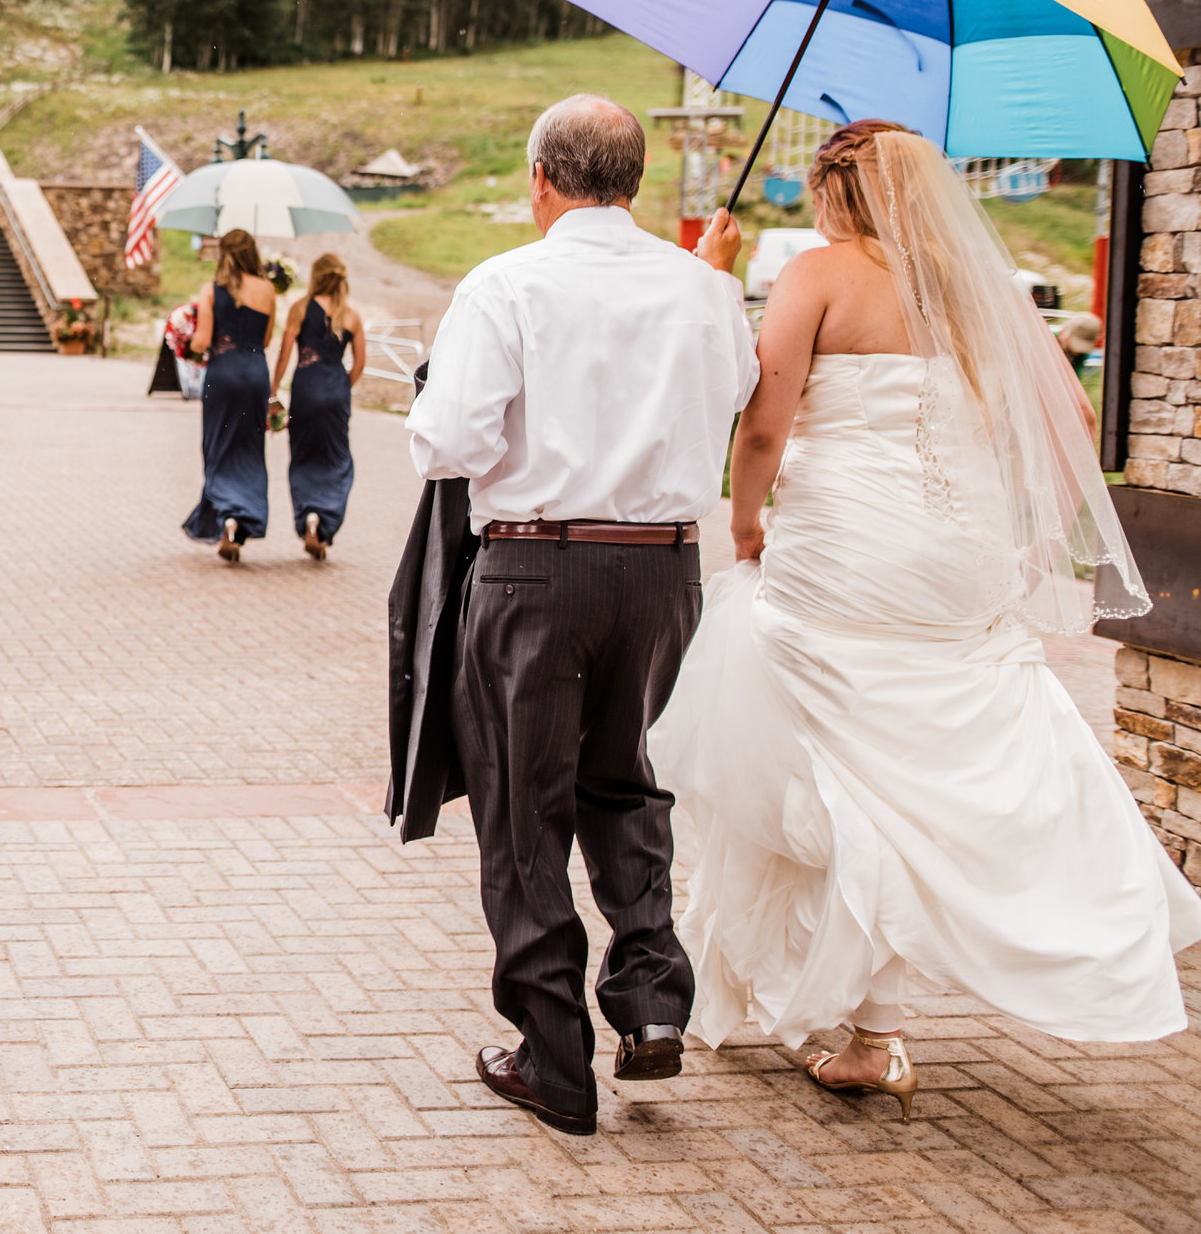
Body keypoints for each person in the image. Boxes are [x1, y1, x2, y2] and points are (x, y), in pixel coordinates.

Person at [652, 120, 1200, 1117]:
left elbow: (764, 420)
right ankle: (876, 1023)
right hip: (959, 559)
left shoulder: (816, 276)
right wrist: (1026, 523)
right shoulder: (978, 288)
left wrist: (741, 524)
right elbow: (1072, 420)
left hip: (846, 555)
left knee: (832, 765)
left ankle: (861, 1017)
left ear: (833, 193)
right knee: (924, 759)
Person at [405, 94, 759, 1137]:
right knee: (629, 784)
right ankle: (650, 997)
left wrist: (432, 406)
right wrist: (717, 276)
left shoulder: (506, 284)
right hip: (661, 574)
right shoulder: (704, 290)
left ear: (539, 179)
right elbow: (732, 391)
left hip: (536, 570)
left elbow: (451, 441)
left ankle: (554, 1057)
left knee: (525, 804)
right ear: (636, 181)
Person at [181, 228, 277, 561]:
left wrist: (186, 339)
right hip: (254, 374)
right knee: (249, 448)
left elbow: (202, 341)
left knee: (218, 447)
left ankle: (227, 514)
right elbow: (265, 340)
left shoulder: (211, 290)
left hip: (222, 375)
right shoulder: (267, 289)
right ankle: (242, 516)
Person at [272, 252, 366, 561]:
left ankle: (308, 515)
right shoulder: (350, 316)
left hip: (305, 390)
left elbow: (285, 356)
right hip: (335, 392)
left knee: (303, 456)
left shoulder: (300, 309)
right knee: (337, 461)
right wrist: (340, 389)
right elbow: (360, 363)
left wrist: (273, 393)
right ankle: (325, 522)